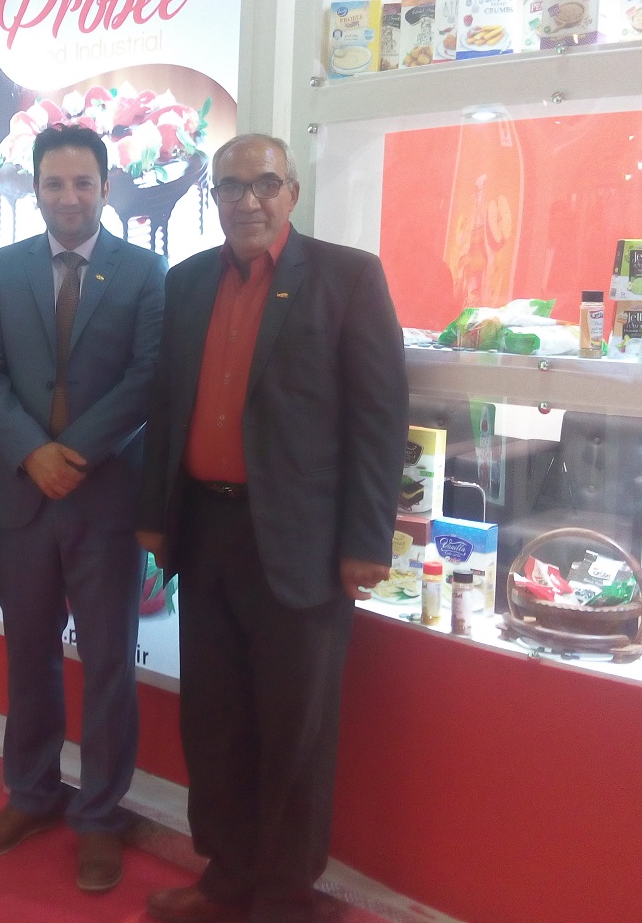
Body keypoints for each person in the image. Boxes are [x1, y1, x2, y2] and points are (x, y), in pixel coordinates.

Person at [137, 134, 408, 923]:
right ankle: (225, 878)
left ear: (292, 191)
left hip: (303, 546)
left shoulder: (348, 277)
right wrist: (154, 514)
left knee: (295, 730)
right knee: (213, 719)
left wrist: (366, 541)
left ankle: (282, 897)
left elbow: (380, 418)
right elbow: (167, 404)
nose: (247, 200)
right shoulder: (187, 281)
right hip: (206, 531)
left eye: (263, 183)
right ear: (212, 197)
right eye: (230, 186)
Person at [0, 123, 165, 893]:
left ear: (106, 187)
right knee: (28, 654)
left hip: (104, 498)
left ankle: (100, 814)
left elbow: (148, 375)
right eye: (54, 183)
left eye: (83, 183)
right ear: (35, 188)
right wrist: (31, 452)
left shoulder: (145, 271)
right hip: (20, 495)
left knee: (109, 663)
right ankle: (31, 793)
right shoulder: (1, 267)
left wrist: (70, 453)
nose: (69, 197)